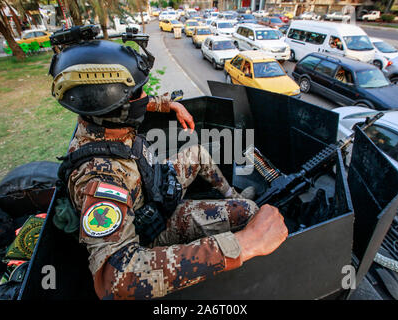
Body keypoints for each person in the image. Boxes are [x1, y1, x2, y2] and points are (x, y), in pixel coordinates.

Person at [49, 28, 288, 300]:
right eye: (137, 93)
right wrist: (244, 244)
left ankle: (230, 195)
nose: (144, 97)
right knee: (248, 211)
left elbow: (129, 104)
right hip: (151, 228)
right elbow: (116, 278)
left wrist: (166, 105)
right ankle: (231, 227)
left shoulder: (98, 120)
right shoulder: (99, 178)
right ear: (114, 105)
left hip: (153, 186)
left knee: (196, 153)